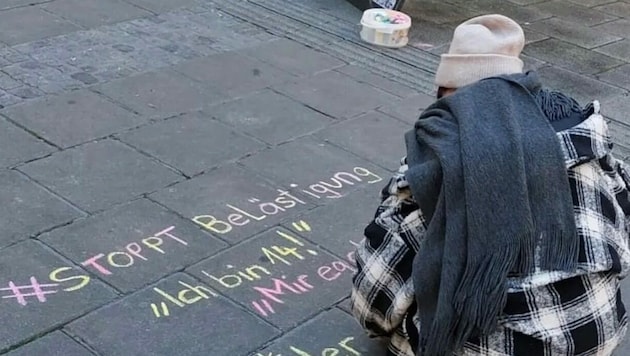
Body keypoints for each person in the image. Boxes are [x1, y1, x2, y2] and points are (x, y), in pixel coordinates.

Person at [350, 14, 630, 356]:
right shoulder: (584, 139)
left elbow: (373, 301)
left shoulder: (435, 164)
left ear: (446, 96)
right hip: (596, 336)